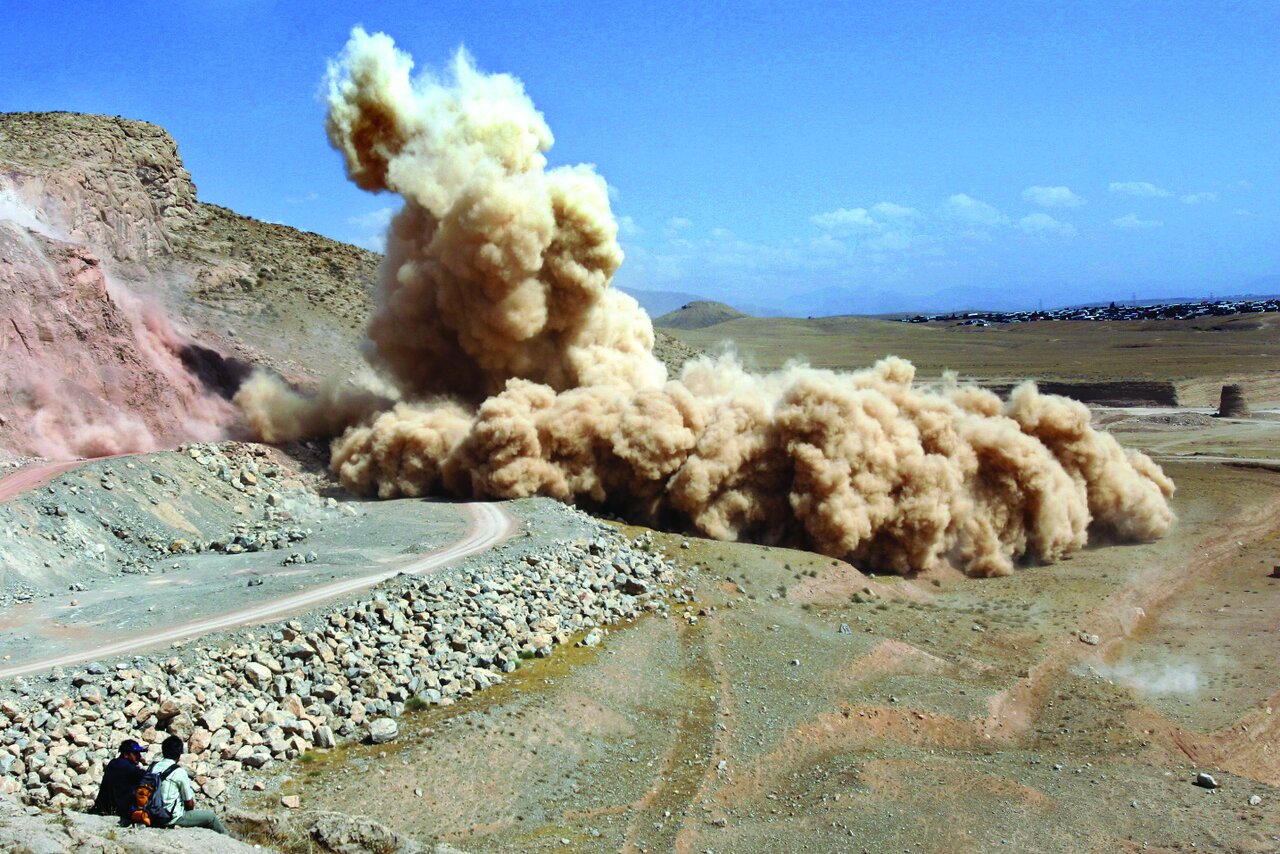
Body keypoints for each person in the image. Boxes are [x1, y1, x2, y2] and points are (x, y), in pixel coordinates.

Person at [150, 735, 229, 835]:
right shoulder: (178, 772)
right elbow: (189, 803)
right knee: (210, 817)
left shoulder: (153, 767)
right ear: (179, 755)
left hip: (151, 813)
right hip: (170, 817)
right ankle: (229, 839)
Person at [90, 739, 145, 819]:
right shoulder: (130, 769)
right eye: (136, 754)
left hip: (102, 808)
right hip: (120, 812)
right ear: (126, 754)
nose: (139, 756)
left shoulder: (113, 763)